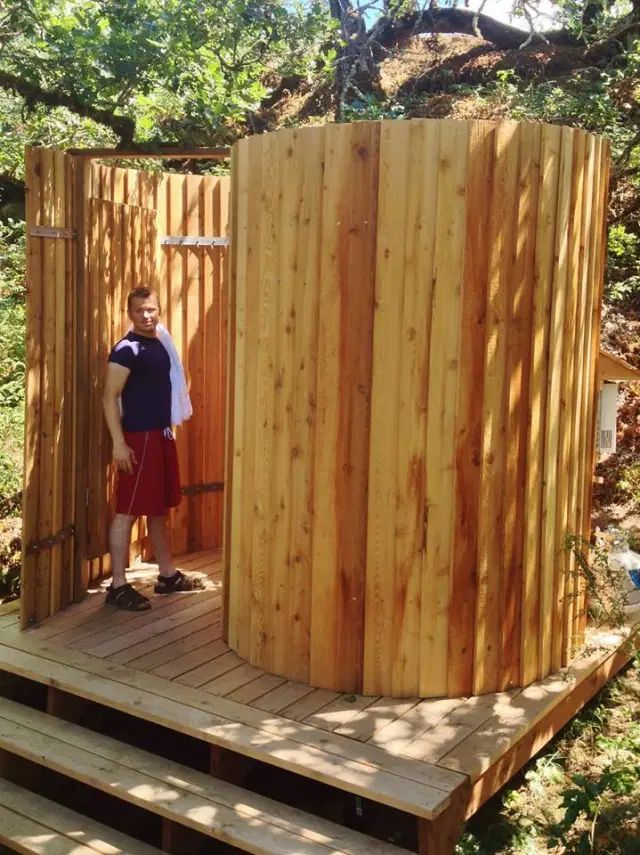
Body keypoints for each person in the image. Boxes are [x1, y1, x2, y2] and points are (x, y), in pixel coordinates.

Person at [102, 286, 202, 610]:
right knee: (126, 512)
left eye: (151, 309)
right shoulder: (126, 350)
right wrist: (118, 444)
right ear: (129, 314)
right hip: (138, 439)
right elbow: (108, 397)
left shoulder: (159, 342)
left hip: (160, 436)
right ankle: (118, 586)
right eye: (139, 311)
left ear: (158, 310)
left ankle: (167, 576)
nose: (146, 315)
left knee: (158, 509)